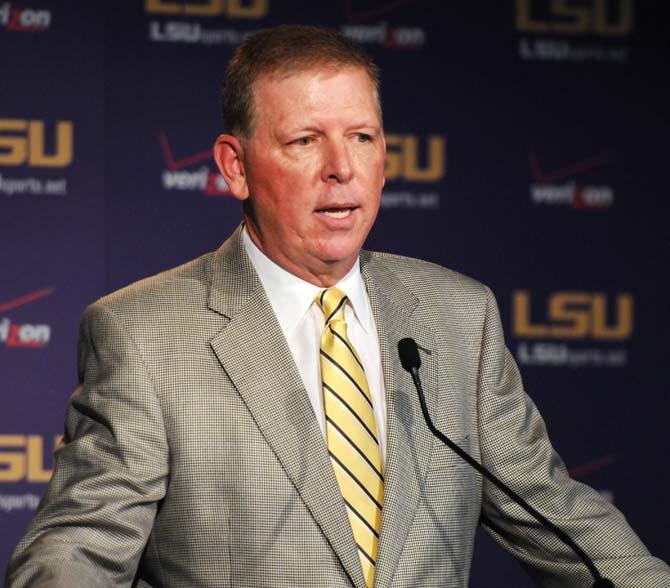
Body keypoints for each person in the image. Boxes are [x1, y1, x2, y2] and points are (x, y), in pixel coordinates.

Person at [5, 25, 669, 588]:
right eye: (304, 141)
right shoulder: (145, 336)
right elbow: (72, 560)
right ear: (235, 167)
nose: (341, 169)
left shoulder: (459, 317)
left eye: (361, 138)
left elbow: (561, 520)